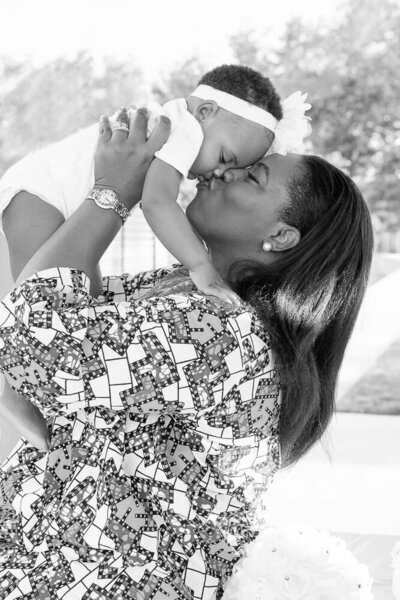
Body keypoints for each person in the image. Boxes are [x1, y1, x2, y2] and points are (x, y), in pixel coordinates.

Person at [0, 108, 373, 600]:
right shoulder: (181, 292)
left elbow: (29, 341)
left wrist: (113, 194)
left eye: (253, 174)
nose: (225, 170)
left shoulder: (224, 333)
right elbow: (35, 316)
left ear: (280, 238)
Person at [0, 64, 311, 453]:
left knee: (79, 303)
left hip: (50, 200)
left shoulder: (226, 329)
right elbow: (157, 202)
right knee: (41, 310)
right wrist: (201, 266)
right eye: (225, 156)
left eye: (241, 171)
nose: (220, 172)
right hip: (37, 195)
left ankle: (20, 388)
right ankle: (14, 391)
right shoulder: (176, 130)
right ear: (205, 113)